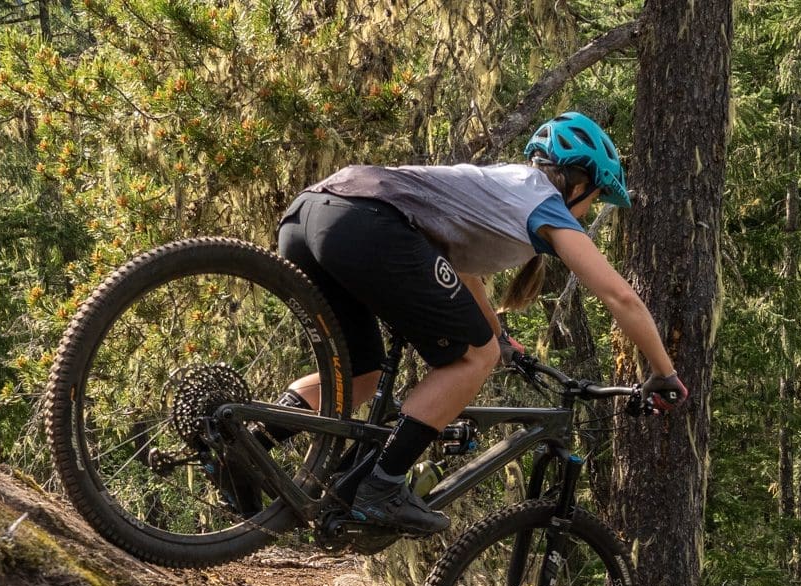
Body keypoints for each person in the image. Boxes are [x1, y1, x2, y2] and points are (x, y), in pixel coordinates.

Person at [269, 111, 687, 534]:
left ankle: (243, 444)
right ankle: (381, 487)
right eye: (594, 200)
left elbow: (462, 276)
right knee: (473, 359)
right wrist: (663, 372)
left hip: (308, 217)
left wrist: (501, 336)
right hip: (364, 222)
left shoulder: (501, 185)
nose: (586, 213)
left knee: (360, 374)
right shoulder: (544, 202)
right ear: (579, 185)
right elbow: (621, 296)